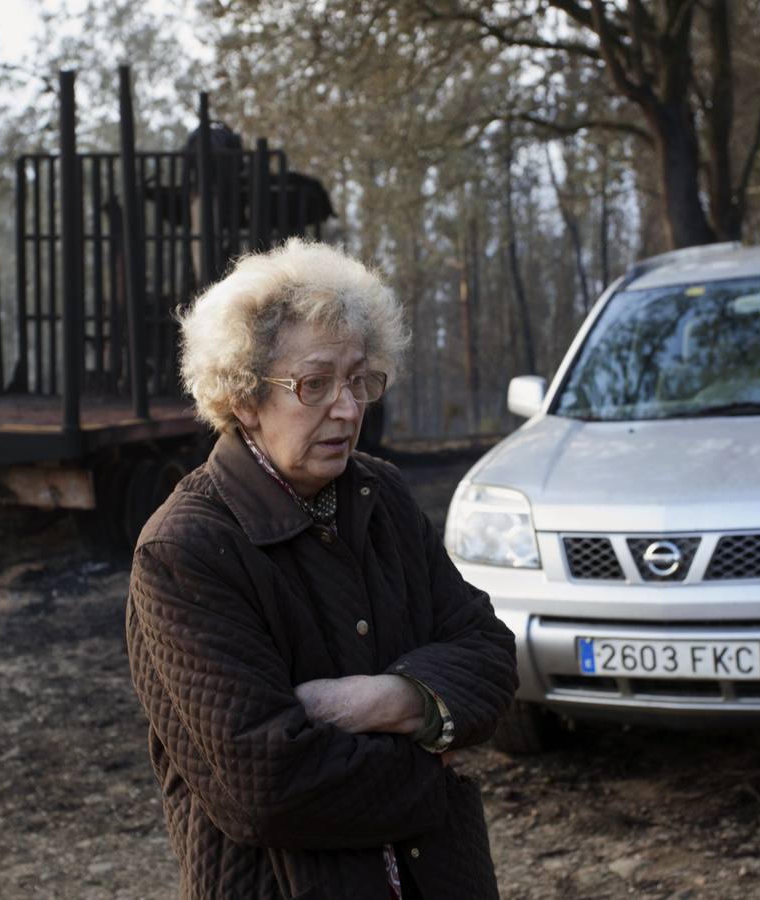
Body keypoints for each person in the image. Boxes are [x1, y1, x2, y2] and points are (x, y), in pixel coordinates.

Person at [126, 239, 519, 900]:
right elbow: (268, 789)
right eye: (314, 384)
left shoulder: (381, 496)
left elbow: (490, 657)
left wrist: (391, 700)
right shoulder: (184, 550)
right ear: (244, 395)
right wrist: (434, 758)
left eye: (358, 379)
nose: (346, 407)